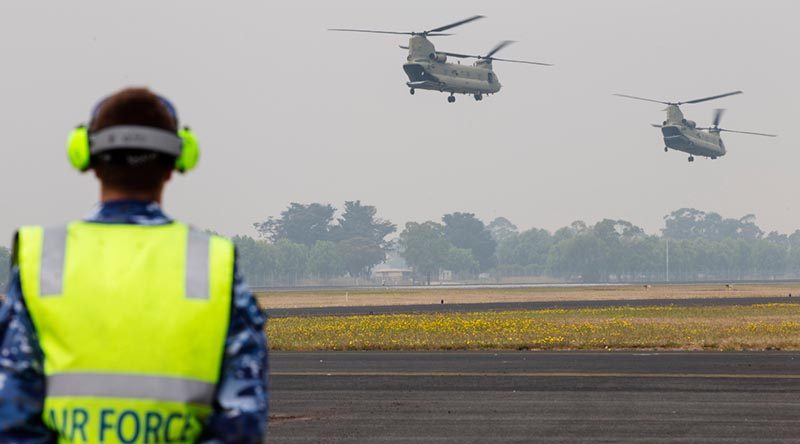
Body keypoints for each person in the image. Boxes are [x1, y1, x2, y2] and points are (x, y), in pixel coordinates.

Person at [0, 87, 268, 443]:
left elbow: (12, 417)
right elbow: (242, 422)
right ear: (177, 162)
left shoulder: (44, 260)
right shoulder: (211, 264)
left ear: (85, 156)